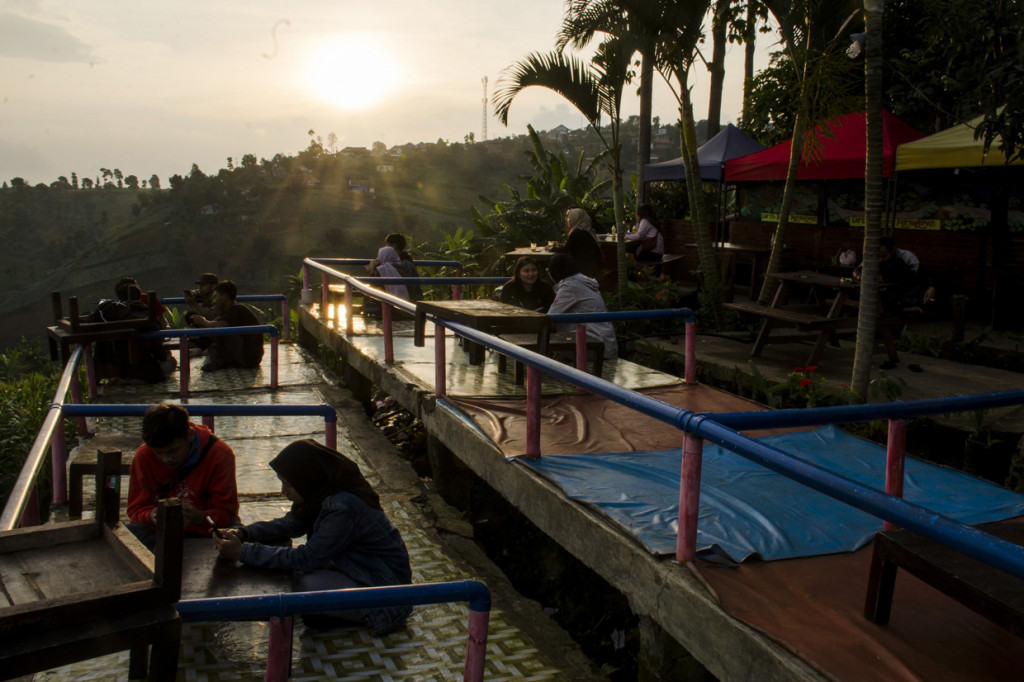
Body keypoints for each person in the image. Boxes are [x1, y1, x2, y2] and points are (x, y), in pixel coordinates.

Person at [213, 439, 413, 635]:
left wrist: (243, 552)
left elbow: (306, 558)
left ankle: (354, 615)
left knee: (303, 585)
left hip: (385, 594)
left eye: (289, 486)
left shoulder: (343, 507)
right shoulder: (321, 492)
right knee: (288, 574)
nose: (284, 492)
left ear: (307, 479)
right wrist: (245, 533)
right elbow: (290, 524)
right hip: (359, 572)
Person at [126, 404, 240, 550]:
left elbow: (227, 513)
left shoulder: (220, 454)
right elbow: (135, 510)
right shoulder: (143, 456)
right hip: (159, 531)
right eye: (159, 453)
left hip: (208, 530)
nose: (167, 459)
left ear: (189, 435)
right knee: (127, 539)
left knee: (237, 539)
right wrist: (151, 516)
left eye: (174, 450)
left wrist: (200, 517)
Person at [91, 280, 176, 382]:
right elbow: (159, 353)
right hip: (142, 372)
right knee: (171, 361)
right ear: (139, 297)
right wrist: (164, 355)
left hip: (111, 371)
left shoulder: (107, 313)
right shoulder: (144, 317)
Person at [547, 253, 618, 359]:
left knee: (546, 344)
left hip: (595, 343)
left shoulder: (570, 286)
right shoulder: (581, 281)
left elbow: (550, 317)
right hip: (604, 342)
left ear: (555, 271)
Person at [186, 280, 265, 371]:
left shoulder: (237, 309)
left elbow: (220, 326)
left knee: (220, 331)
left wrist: (203, 321)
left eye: (216, 297)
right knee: (213, 345)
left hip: (250, 356)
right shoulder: (227, 312)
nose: (214, 301)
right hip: (246, 355)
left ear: (224, 296)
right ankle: (219, 361)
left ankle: (220, 362)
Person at [854, 237, 936, 313]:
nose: (880, 259)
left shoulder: (903, 259)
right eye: (877, 256)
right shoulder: (875, 259)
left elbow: (922, 274)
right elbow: (858, 270)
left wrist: (931, 287)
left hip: (908, 291)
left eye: (884, 256)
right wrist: (860, 275)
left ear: (892, 251)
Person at [552, 208, 603, 280]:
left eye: (569, 217)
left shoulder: (577, 232)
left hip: (586, 269)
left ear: (575, 218)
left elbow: (565, 250)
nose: (567, 219)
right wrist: (560, 244)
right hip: (595, 266)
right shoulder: (585, 230)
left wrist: (551, 248)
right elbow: (575, 245)